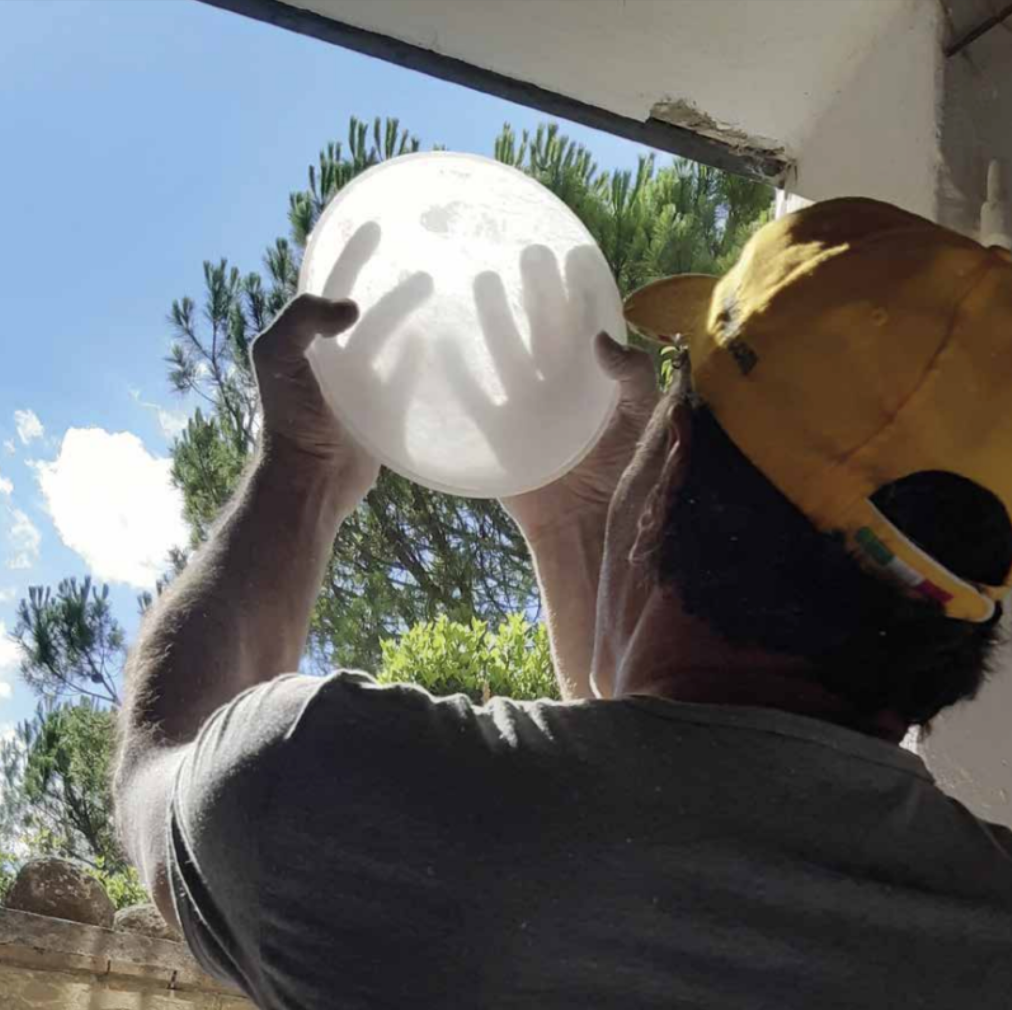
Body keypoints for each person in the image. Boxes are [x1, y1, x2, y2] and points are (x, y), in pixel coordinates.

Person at [114, 198, 1012, 1009]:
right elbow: (668, 803)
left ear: (674, 466)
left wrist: (300, 476)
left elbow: (158, 763)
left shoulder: (334, 799)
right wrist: (582, 519)